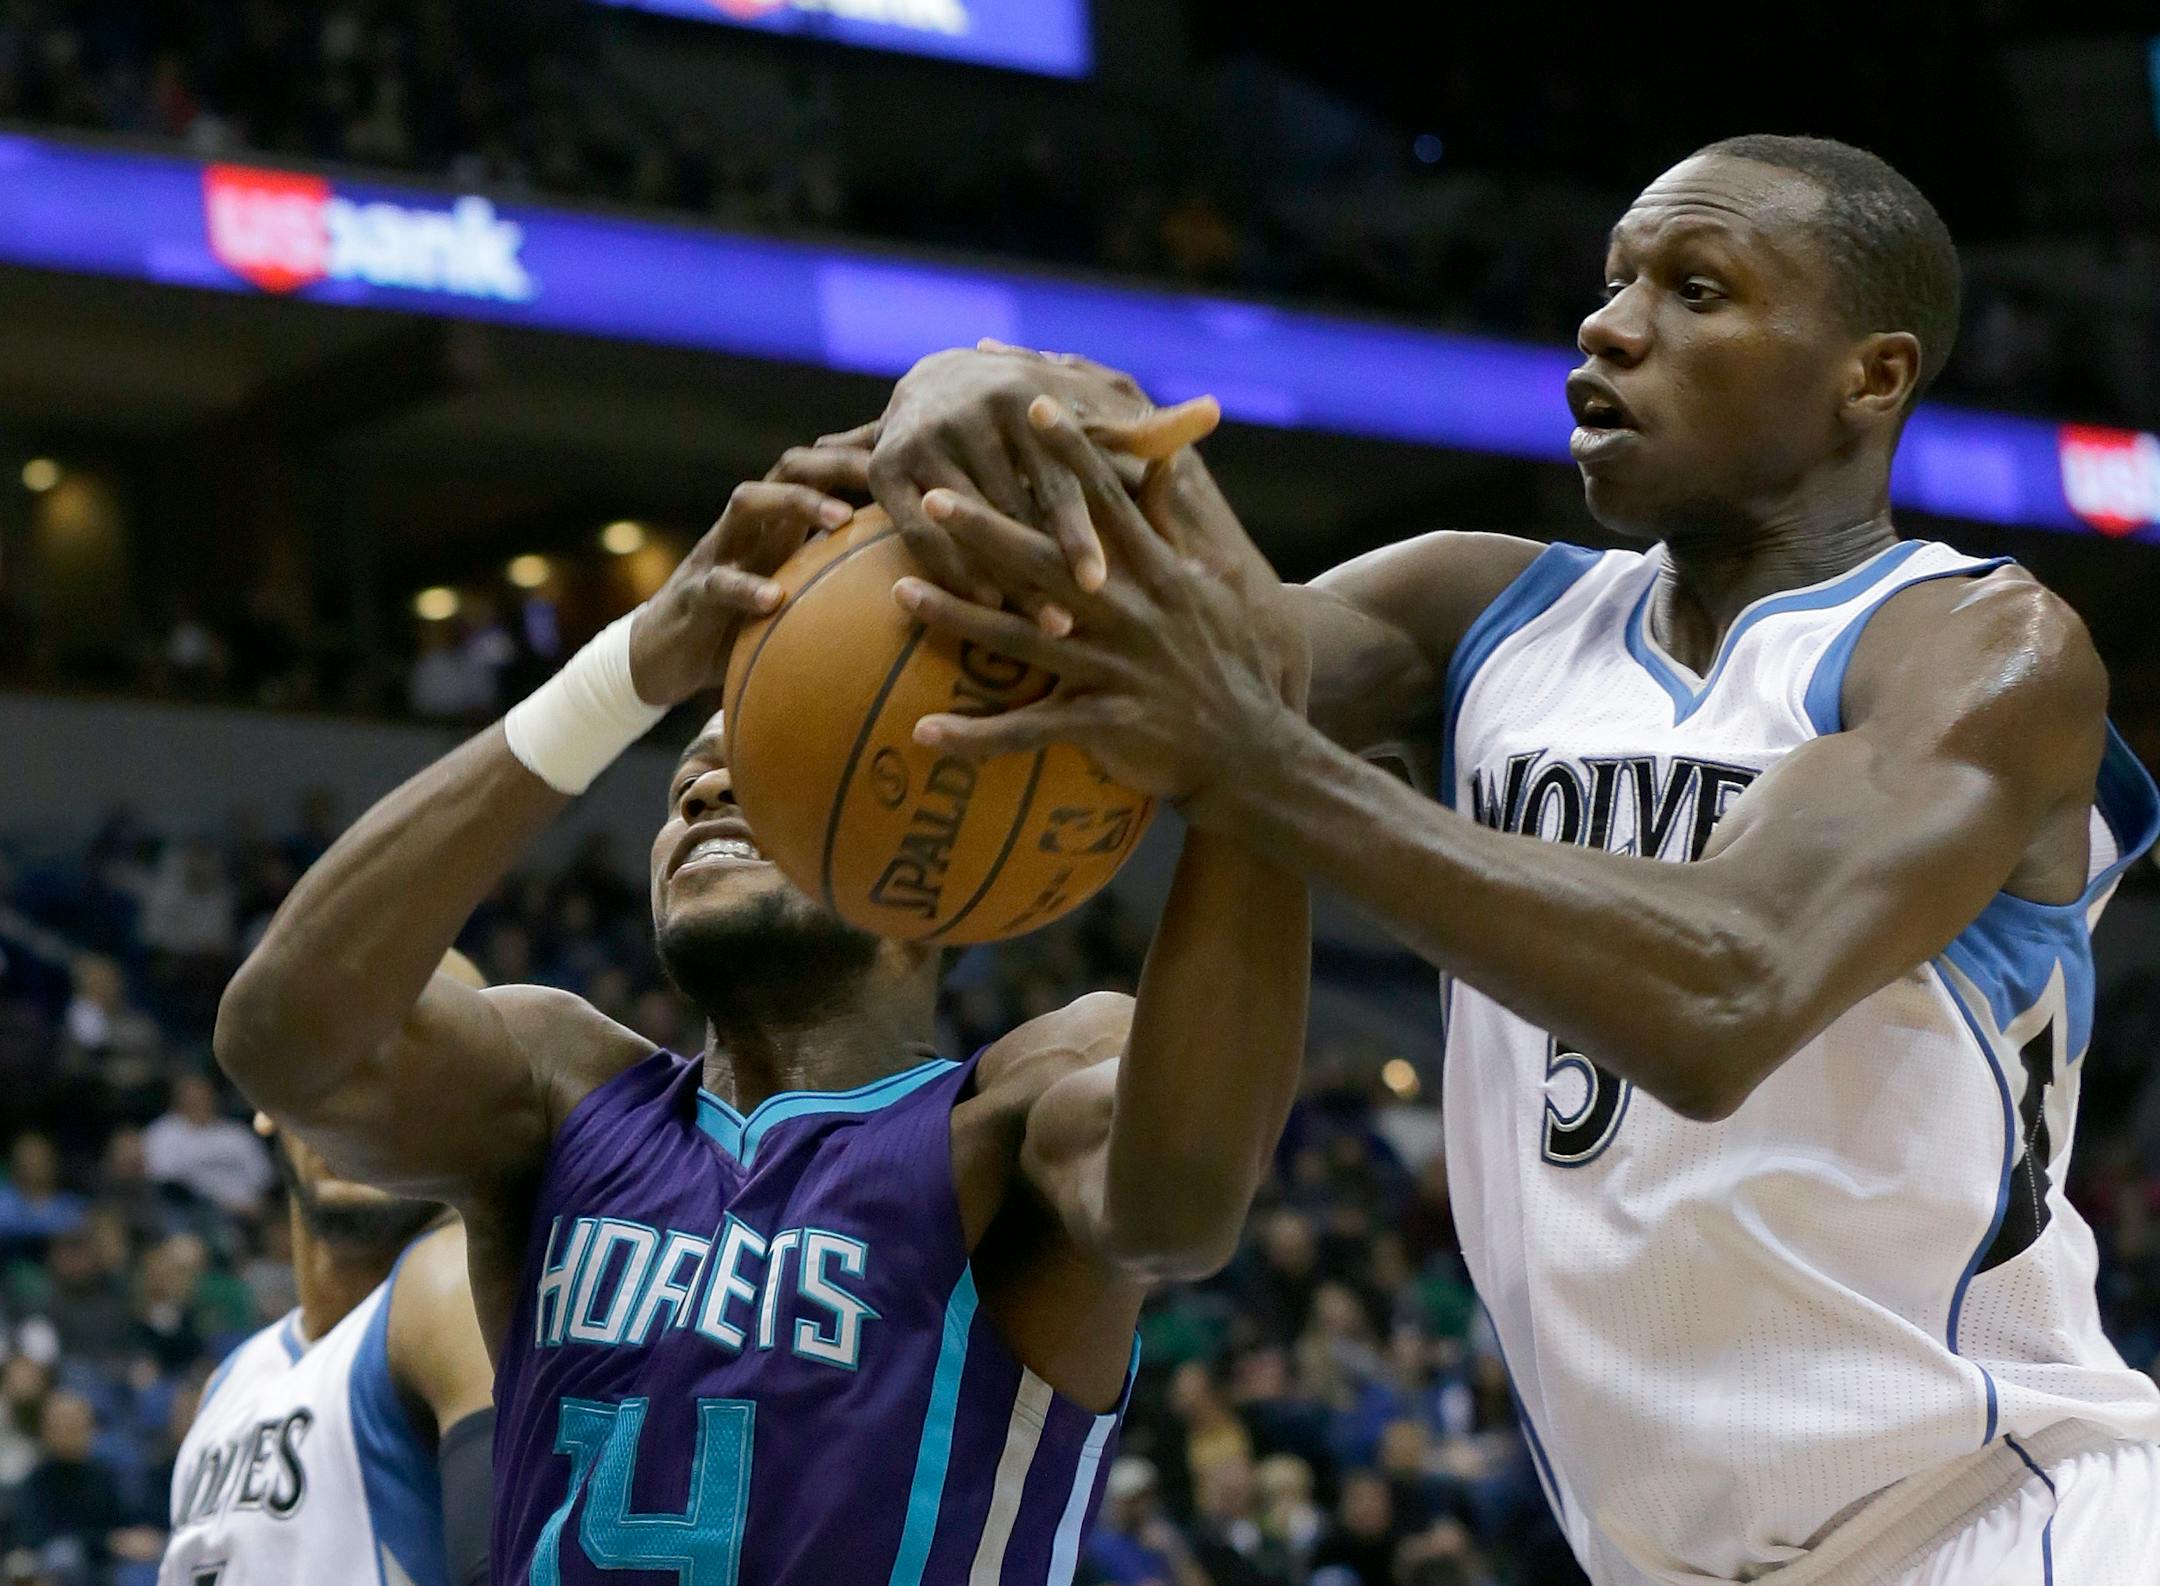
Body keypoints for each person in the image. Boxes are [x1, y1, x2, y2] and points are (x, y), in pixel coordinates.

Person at [851, 134, 2160, 1584]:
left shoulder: (1979, 648)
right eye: (1613, 281)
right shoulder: (1479, 608)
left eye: (1697, 288)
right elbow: (1173, 668)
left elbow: (1730, 990)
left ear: (1874, 376)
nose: (1610, 324)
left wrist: (1262, 765)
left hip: (1993, 1516)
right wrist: (995, 389)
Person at [211, 447, 1310, 1582]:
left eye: (779, 756)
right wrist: (619, 676)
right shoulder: (552, 1097)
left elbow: (1183, 1201)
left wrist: (1248, 761)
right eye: (687, 768)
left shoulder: (1012, 1121)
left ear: (926, 862)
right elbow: (283, 1043)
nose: (704, 786)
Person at [161, 954, 496, 1586]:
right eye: (335, 1049)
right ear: (267, 1100)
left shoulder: (453, 1292)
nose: (373, 1096)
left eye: (423, 1065)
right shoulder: (230, 1384)